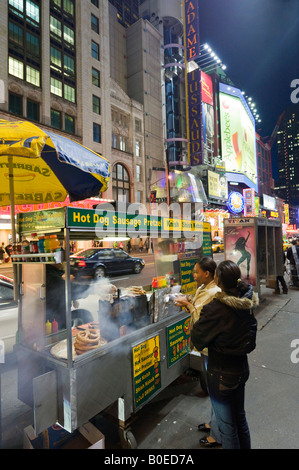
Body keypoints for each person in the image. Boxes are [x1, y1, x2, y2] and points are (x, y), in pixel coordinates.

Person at [191, 260, 258, 449]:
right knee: (240, 419)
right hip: (241, 369)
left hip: (221, 374)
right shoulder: (247, 301)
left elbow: (198, 338)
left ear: (218, 280)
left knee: (228, 428)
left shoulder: (215, 308)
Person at [175, 257, 221, 446]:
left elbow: (203, 318)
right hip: (203, 346)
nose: (194, 275)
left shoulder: (214, 291)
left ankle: (217, 435)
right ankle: (214, 423)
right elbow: (196, 310)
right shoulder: (203, 288)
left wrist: (188, 305)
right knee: (212, 389)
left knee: (216, 391)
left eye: (196, 272)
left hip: (212, 348)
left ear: (207, 273)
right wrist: (189, 304)